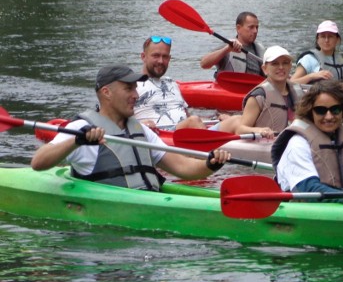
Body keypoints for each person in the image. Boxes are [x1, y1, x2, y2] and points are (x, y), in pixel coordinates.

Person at [31, 64, 231, 191]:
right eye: (129, 88)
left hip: (149, 198)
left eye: (135, 88)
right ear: (107, 92)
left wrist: (211, 163)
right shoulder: (82, 127)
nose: (136, 94)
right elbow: (38, 163)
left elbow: (183, 168)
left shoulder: (141, 131)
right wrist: (76, 141)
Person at [134, 35, 240, 132]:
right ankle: (214, 151)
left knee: (235, 119)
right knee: (193, 121)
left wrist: (217, 118)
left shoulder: (171, 84)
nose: (161, 61)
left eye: (165, 57)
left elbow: (187, 117)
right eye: (156, 56)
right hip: (161, 135)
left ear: (169, 59)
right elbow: (120, 121)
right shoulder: (133, 85)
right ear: (143, 57)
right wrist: (139, 125)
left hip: (186, 131)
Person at [235, 45, 305, 139]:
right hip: (266, 146)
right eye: (275, 63)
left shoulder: (298, 92)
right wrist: (260, 130)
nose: (281, 67)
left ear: (290, 66)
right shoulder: (258, 97)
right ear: (264, 69)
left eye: (285, 63)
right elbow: (240, 130)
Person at [291, 20, 343, 89]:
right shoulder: (308, 59)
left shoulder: (341, 62)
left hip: (338, 97)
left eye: (330, 36)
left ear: (337, 40)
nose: (326, 40)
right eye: (323, 36)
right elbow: (291, 83)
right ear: (317, 39)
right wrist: (312, 76)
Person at [200, 11, 265, 78]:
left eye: (257, 27)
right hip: (230, 87)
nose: (255, 31)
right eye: (251, 27)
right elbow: (203, 64)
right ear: (238, 28)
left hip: (254, 87)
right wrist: (226, 49)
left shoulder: (260, 49)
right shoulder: (227, 46)